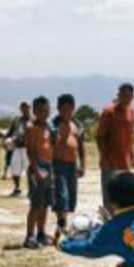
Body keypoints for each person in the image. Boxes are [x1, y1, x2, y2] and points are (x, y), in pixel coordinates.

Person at [96, 83, 134, 208]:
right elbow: (99, 136)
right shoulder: (109, 112)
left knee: (124, 196)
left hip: (124, 162)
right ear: (118, 95)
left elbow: (130, 136)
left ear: (132, 96)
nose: (126, 98)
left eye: (129, 95)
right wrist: (103, 157)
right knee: (109, 197)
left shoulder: (131, 112)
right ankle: (109, 224)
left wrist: (132, 156)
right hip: (110, 162)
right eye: (123, 95)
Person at [52, 93, 85, 232]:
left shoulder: (77, 125)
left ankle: (63, 221)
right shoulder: (53, 126)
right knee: (62, 194)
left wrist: (82, 164)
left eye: (70, 109)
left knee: (71, 195)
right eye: (63, 109)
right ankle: (61, 223)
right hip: (58, 164)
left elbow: (81, 146)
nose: (67, 112)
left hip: (72, 165)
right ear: (58, 109)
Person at [24, 96, 54, 249]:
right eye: (41, 110)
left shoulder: (48, 127)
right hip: (38, 167)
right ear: (35, 111)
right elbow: (30, 150)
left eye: (47, 109)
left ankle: (41, 233)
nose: (44, 112)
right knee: (36, 204)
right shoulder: (31, 127)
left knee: (45, 204)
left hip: (49, 166)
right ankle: (29, 236)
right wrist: (36, 170)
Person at [4, 102, 31, 198]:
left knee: (29, 169)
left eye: (26, 108)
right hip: (17, 148)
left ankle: (31, 189)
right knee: (15, 168)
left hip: (28, 149)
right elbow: (10, 132)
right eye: (22, 108)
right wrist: (5, 140)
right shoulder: (17, 120)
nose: (24, 110)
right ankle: (17, 188)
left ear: (29, 108)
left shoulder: (33, 121)